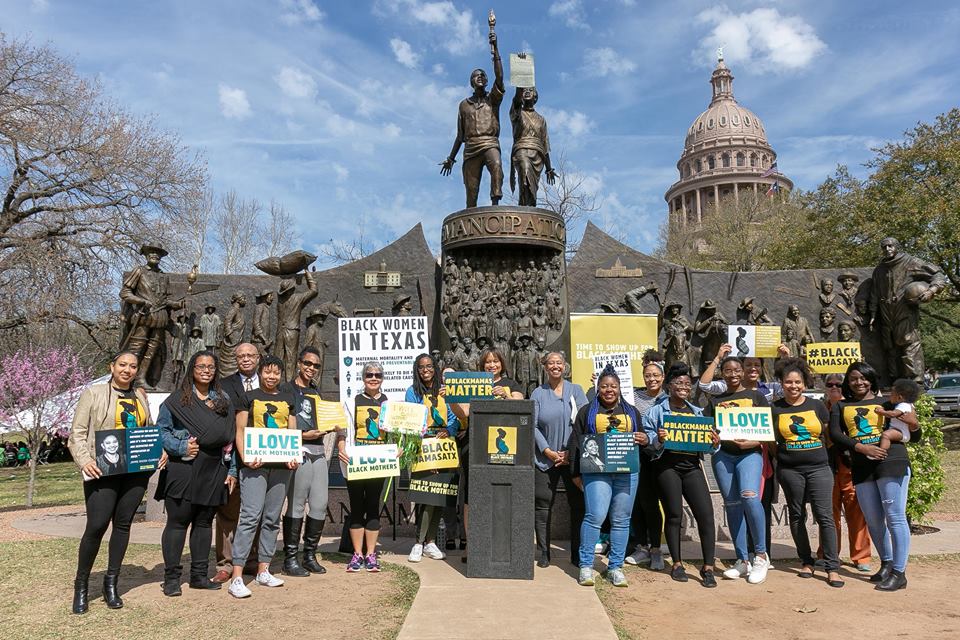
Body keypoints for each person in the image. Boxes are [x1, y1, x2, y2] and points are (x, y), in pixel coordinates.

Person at [68, 351, 157, 614]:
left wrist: (157, 450)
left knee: (123, 525)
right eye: (122, 365)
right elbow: (77, 433)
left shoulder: (140, 396)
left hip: (135, 472)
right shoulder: (93, 394)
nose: (127, 370)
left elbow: (147, 429)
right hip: (102, 470)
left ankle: (111, 583)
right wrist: (85, 461)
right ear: (112, 367)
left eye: (132, 366)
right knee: (96, 525)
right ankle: (81, 585)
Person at [156, 350, 236, 596]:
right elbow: (161, 432)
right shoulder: (176, 400)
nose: (206, 370)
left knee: (203, 524)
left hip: (214, 468)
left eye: (211, 366)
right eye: (201, 366)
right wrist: (180, 446)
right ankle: (171, 579)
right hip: (184, 468)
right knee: (178, 523)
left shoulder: (224, 400)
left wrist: (232, 470)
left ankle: (199, 575)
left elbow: (230, 438)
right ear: (192, 368)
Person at [829, 362, 912, 591]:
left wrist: (907, 427)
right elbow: (835, 434)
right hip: (862, 466)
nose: (859, 382)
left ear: (871, 379)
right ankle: (886, 563)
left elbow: (914, 432)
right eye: (854, 378)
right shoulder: (841, 406)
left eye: (863, 378)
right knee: (873, 519)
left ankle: (899, 571)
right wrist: (861, 448)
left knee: (894, 516)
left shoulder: (888, 402)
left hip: (891, 462)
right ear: (848, 382)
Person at [227, 355, 300, 598]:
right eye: (267, 372)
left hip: (281, 466)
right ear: (260, 373)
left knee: (271, 518)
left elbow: (292, 430)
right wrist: (245, 457)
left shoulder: (289, 398)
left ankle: (263, 570)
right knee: (250, 516)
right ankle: (236, 576)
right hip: (254, 466)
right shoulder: (247, 397)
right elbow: (239, 431)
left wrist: (293, 455)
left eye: (276, 373)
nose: (271, 377)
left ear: (281, 375)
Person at [569, 365, 647, 588]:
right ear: (598, 388)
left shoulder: (632, 412)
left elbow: (643, 442)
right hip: (597, 472)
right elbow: (576, 442)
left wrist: (645, 440)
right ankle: (586, 565)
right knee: (595, 516)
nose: (609, 390)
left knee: (622, 521)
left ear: (620, 388)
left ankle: (615, 567)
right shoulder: (587, 412)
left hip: (626, 473)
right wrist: (575, 474)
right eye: (604, 386)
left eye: (613, 386)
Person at [643, 362, 720, 587]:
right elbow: (648, 441)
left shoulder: (697, 413)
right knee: (674, 514)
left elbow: (709, 446)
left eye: (687, 383)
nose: (684, 386)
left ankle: (708, 567)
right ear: (669, 386)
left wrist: (715, 443)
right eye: (679, 383)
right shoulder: (656, 411)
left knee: (706, 515)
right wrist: (658, 438)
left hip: (692, 466)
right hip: (667, 467)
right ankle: (677, 563)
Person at [771, 358, 844, 588]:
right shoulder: (775, 408)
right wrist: (784, 457)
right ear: (781, 384)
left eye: (797, 382)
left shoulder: (817, 406)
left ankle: (832, 567)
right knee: (796, 515)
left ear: (804, 383)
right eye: (788, 382)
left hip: (819, 469)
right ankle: (806, 561)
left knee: (825, 517)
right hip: (790, 470)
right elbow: (772, 441)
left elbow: (828, 436)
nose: (793, 386)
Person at [703, 356, 771, 584]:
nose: (732, 374)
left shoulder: (756, 397)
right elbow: (707, 431)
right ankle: (743, 559)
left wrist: (751, 443)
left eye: (736, 370)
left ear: (743, 372)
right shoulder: (715, 401)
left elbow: (768, 431)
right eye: (727, 370)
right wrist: (711, 439)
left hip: (749, 454)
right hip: (724, 456)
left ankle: (760, 555)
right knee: (732, 505)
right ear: (722, 373)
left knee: (750, 498)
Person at [279, 347, 337, 577]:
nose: (311, 368)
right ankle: (290, 558)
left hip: (318, 449)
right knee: (296, 503)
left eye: (315, 365)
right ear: (299, 363)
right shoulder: (286, 389)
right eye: (308, 363)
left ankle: (309, 555)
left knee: (320, 503)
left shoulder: (316, 391)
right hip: (297, 448)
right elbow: (280, 423)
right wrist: (302, 436)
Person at [531, 352, 588, 567]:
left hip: (571, 458)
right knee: (543, 505)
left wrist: (569, 453)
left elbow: (584, 423)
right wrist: (546, 450)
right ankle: (544, 552)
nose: (555, 366)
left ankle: (577, 553)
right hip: (546, 460)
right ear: (545, 367)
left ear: (565, 366)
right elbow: (533, 426)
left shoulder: (577, 390)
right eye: (551, 363)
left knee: (578, 505)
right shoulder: (537, 393)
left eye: (559, 363)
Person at [212, 343, 261, 583]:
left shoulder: (271, 383)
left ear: (258, 358)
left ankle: (252, 560)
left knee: (255, 512)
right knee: (228, 512)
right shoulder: (224, 385)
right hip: (233, 458)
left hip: (263, 457)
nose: (245, 359)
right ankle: (225, 564)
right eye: (241, 356)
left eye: (250, 355)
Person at [440, 30, 505, 208]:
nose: (481, 77)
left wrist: (495, 50)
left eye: (483, 75)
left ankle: (495, 205)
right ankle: (472, 219)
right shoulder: (464, 105)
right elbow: (460, 136)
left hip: (490, 142)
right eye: (477, 75)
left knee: (497, 166)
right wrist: (451, 158)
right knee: (471, 191)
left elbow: (499, 78)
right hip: (470, 147)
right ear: (471, 82)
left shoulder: (492, 99)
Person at [407, 354, 460, 563]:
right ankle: (418, 543)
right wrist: (427, 448)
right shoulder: (412, 392)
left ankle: (430, 543)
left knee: (440, 495)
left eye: (429, 366)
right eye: (421, 367)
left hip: (445, 446)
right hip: (424, 447)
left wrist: (450, 430)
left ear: (435, 368)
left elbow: (455, 417)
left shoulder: (445, 390)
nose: (426, 370)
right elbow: (412, 419)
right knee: (424, 497)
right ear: (417, 370)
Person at [818, 373, 872, 572]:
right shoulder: (818, 408)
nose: (834, 387)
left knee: (856, 511)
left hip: (851, 465)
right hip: (825, 466)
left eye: (838, 384)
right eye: (829, 384)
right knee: (828, 513)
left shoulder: (852, 406)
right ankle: (827, 553)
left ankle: (861, 556)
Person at [338, 361, 389, 573]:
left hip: (379, 462)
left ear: (382, 378)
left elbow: (397, 433)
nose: (373, 378)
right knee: (357, 508)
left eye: (377, 374)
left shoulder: (389, 402)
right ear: (363, 378)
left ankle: (371, 555)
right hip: (356, 462)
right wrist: (341, 447)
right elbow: (343, 430)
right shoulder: (352, 401)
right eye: (369, 375)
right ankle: (357, 554)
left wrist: (398, 449)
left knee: (373, 508)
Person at [625, 360, 667, 570]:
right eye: (647, 375)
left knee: (652, 505)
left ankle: (657, 549)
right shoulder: (633, 396)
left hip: (661, 458)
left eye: (655, 375)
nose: (651, 379)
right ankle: (642, 547)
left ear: (663, 377)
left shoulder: (669, 398)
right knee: (639, 503)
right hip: (637, 455)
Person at [875, 379, 921, 450]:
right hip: (900, 432)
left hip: (901, 432)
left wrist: (881, 412)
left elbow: (893, 414)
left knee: (885, 435)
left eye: (891, 394)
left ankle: (881, 452)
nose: (889, 396)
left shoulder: (903, 405)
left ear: (899, 397)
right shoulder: (907, 404)